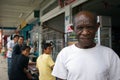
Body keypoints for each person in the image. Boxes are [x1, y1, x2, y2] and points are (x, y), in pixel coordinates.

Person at [52, 11, 120, 80]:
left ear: (97, 27)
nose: (85, 32)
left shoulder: (109, 55)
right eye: (80, 28)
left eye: (89, 27)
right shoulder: (64, 54)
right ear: (73, 29)